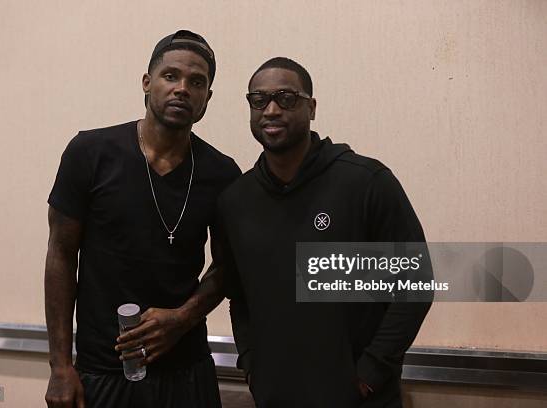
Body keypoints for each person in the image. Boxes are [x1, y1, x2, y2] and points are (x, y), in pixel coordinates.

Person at [217, 57, 432, 407]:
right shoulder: (235, 201)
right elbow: (238, 296)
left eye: (286, 98)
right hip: (276, 396)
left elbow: (415, 284)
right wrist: (251, 364)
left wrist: (370, 372)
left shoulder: (365, 182)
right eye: (258, 99)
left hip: (360, 397)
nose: (271, 109)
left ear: (311, 107)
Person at [44, 30, 240, 408]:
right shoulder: (90, 152)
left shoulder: (223, 174)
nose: (182, 88)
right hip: (103, 371)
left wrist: (182, 318)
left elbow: (228, 265)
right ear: (147, 83)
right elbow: (61, 254)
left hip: (188, 372)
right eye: (170, 76)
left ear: (207, 99)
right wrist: (60, 366)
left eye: (196, 82)